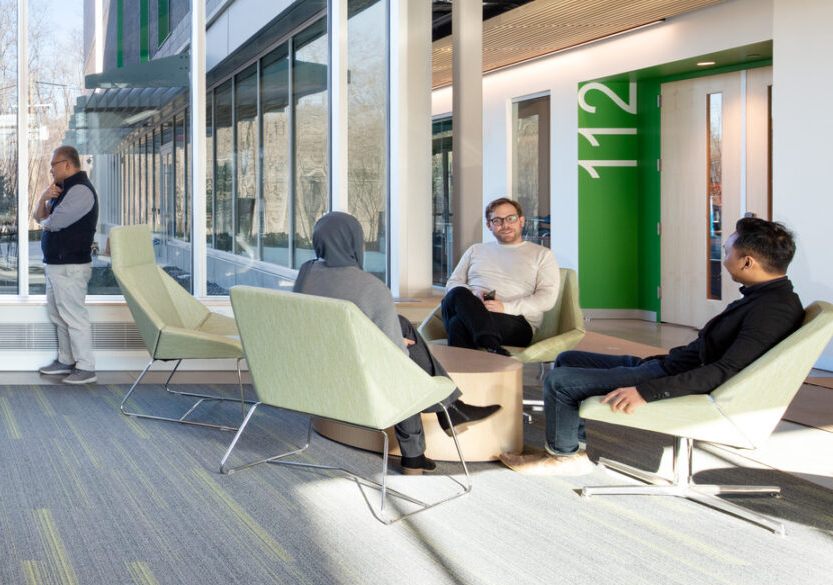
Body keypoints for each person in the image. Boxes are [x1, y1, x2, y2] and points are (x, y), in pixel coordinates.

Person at [505, 215, 803, 474]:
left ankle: (564, 459)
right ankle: (573, 444)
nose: (723, 257)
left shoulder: (771, 310)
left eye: (727, 251)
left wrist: (647, 392)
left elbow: (724, 372)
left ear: (747, 261)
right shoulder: (766, 298)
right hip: (671, 367)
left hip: (677, 381)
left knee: (559, 382)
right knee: (569, 358)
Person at [295, 211, 500, 473]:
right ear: (357, 243)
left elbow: (323, 326)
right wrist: (393, 344)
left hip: (316, 371)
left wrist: (383, 338)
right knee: (405, 361)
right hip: (358, 382)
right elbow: (397, 361)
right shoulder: (371, 287)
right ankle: (448, 410)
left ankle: (423, 446)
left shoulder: (307, 273)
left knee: (401, 326)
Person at [438, 196, 560, 354]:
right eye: (498, 221)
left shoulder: (542, 255)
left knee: (457, 324)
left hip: (515, 321)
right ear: (489, 225)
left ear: (521, 221)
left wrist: (504, 307)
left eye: (511, 218)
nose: (505, 225)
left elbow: (547, 298)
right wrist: (472, 295)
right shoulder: (476, 250)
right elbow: (453, 283)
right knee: (457, 292)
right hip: (471, 308)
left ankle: (462, 375)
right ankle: (491, 344)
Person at [36, 145, 99, 385]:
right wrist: (44, 197)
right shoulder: (62, 190)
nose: (51, 169)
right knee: (58, 314)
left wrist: (47, 220)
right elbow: (38, 215)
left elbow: (54, 222)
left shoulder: (81, 190)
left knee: (73, 315)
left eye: (54, 164)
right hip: (56, 264)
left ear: (68, 164)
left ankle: (86, 366)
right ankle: (66, 360)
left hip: (70, 265)